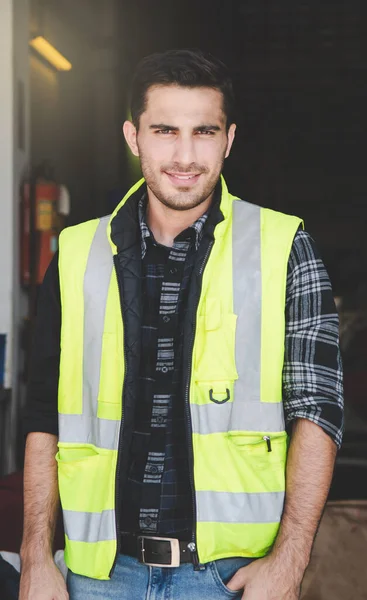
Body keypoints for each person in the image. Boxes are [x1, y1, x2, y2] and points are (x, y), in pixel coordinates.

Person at [20, 48, 343, 600]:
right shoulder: (76, 252)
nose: (186, 154)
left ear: (229, 139)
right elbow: (43, 413)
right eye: (165, 130)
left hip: (228, 576)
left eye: (204, 131)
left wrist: (289, 562)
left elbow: (317, 411)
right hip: (98, 576)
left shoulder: (284, 245)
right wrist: (34, 558)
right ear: (133, 136)